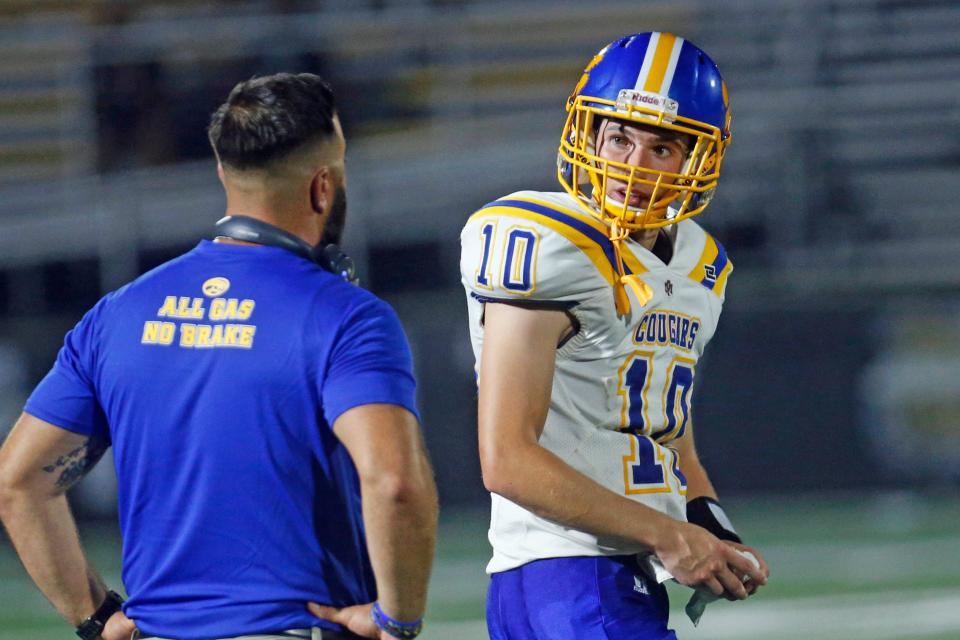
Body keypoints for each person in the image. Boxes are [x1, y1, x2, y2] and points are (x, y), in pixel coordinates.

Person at [0, 73, 438, 640]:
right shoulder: (347, 317)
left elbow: (18, 482)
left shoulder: (118, 314)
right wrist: (395, 621)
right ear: (322, 187)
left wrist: (97, 617)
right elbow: (394, 482)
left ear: (222, 173)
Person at [459, 32, 770, 639]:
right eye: (620, 135)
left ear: (696, 161)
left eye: (662, 147)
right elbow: (506, 460)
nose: (632, 163)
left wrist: (707, 522)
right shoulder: (548, 242)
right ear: (589, 132)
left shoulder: (699, 263)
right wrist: (667, 535)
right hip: (565, 577)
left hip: (616, 576)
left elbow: (662, 427)